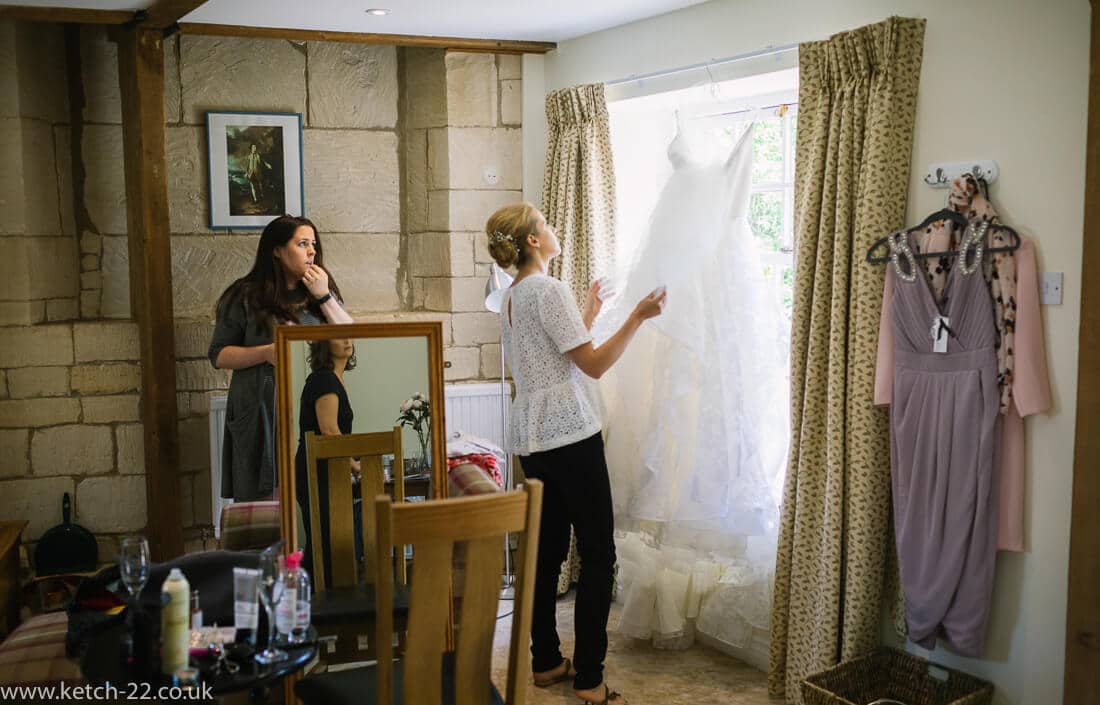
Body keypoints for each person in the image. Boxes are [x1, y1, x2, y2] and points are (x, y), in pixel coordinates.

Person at [486, 202, 666, 705]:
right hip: (569, 436)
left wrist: (588, 312)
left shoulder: (513, 297)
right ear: (531, 242)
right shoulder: (549, 288)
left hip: (532, 440)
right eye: (545, 224)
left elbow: (549, 357)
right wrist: (636, 317)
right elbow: (591, 366)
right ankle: (589, 678)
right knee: (598, 552)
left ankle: (544, 661)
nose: (554, 228)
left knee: (546, 553)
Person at [209, 214, 353, 503]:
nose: (311, 251)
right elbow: (219, 355)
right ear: (276, 249)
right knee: (265, 501)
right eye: (302, 243)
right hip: (260, 409)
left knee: (310, 496)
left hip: (312, 408)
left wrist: (324, 296)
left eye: (313, 244)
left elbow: (351, 338)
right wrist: (265, 353)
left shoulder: (321, 290)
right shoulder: (245, 294)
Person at [295, 338, 361, 587]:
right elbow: (330, 432)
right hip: (317, 471)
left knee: (327, 542)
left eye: (348, 334)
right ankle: (314, 604)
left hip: (327, 469)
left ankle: (319, 602)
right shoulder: (324, 379)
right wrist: (356, 467)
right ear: (323, 342)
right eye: (338, 335)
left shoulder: (334, 379)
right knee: (323, 544)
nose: (347, 339)